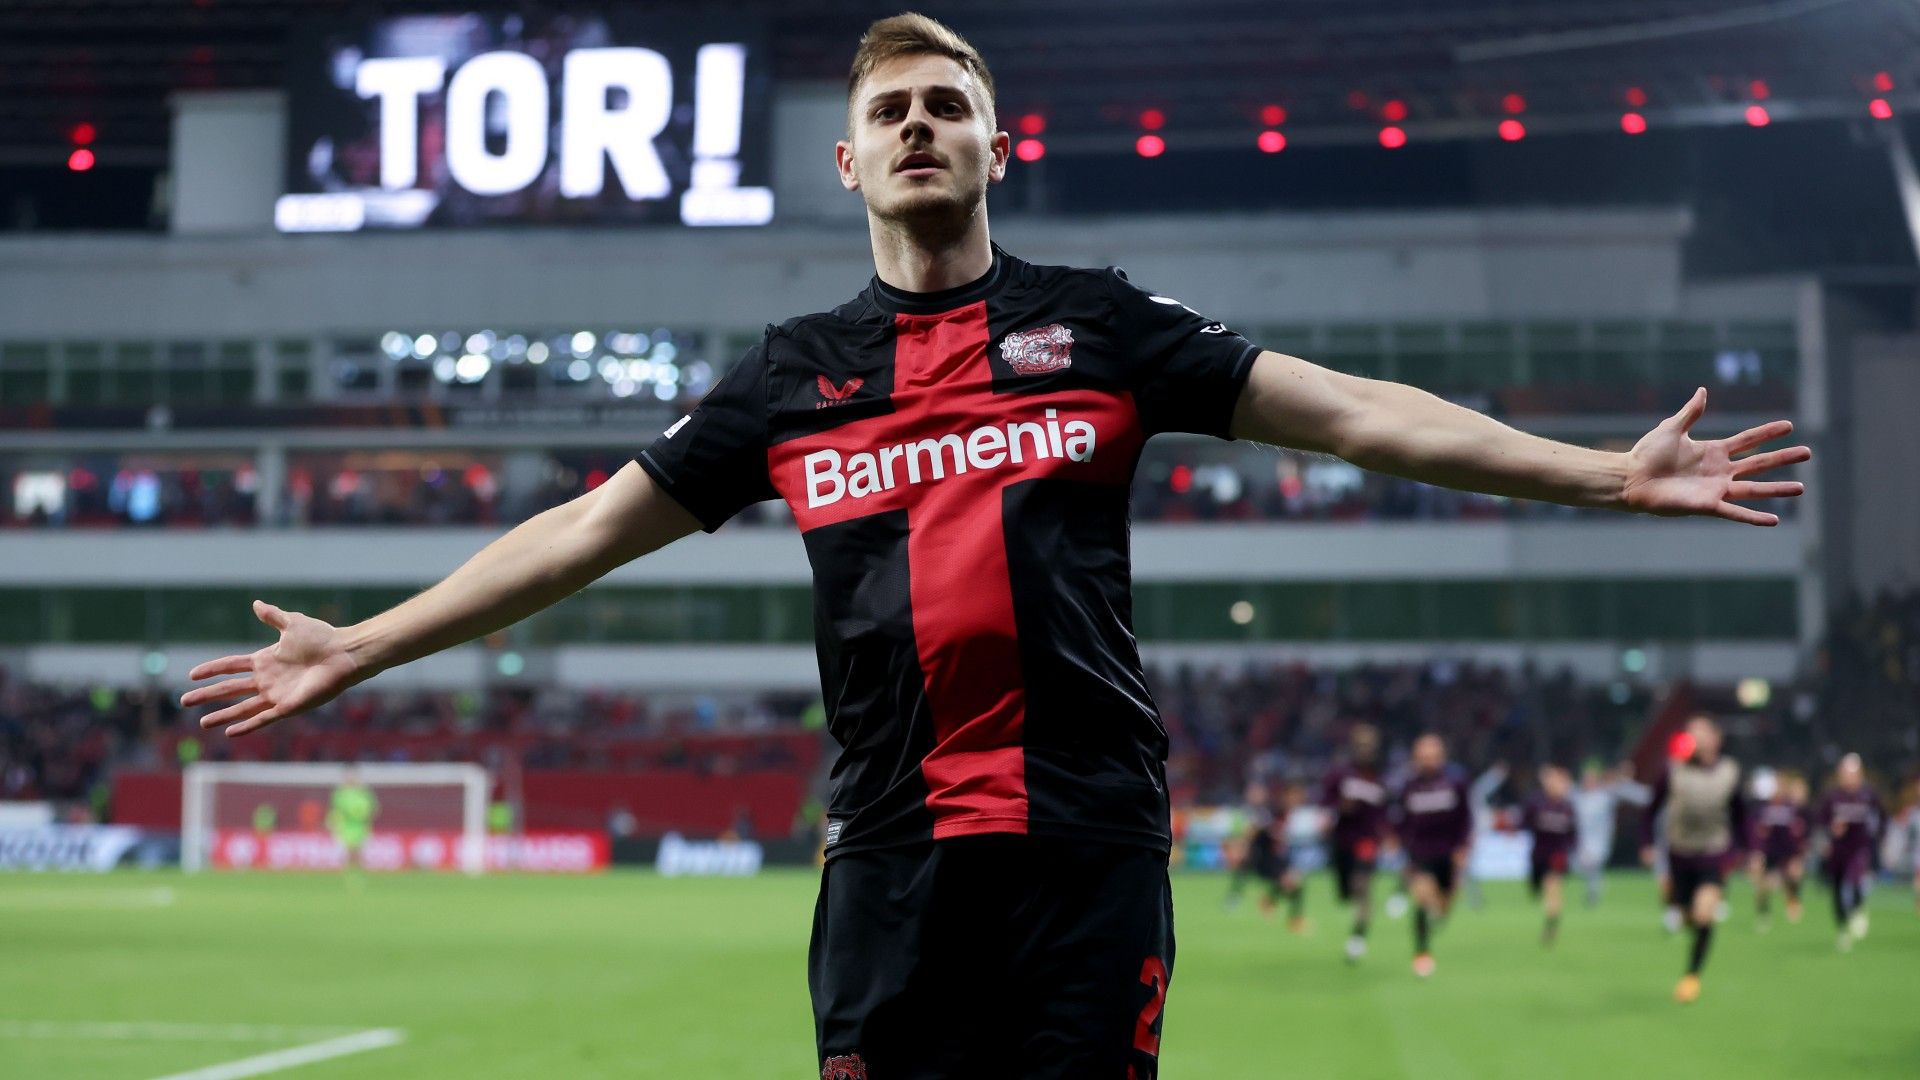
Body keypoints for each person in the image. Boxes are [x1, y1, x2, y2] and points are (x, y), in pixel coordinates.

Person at [176, 13, 1810, 1074]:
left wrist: (1604, 480)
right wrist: (364, 643)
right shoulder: (792, 377)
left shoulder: (1101, 327)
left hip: (1086, 853)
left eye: (947, 105)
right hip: (890, 863)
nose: (918, 126)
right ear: (848, 159)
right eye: (889, 109)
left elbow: (1356, 414)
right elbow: (586, 532)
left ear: (993, 145)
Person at [1642, 716, 1745, 1004]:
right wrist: (1646, 843)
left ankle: (1691, 976)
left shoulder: (1728, 773)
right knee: (1685, 914)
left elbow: (1741, 815)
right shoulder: (1673, 770)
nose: (1696, 738)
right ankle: (1676, 905)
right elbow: (1650, 809)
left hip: (1713, 853)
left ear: (1716, 739)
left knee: (1704, 913)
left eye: (1702, 732)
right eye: (1691, 732)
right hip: (1680, 855)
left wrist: (1747, 849)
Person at [1393, 734, 1472, 978]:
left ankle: (1437, 917)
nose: (1428, 761)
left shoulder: (1455, 784)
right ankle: (1422, 953)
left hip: (1448, 853)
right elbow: (1401, 820)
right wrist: (1398, 842)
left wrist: (1463, 847)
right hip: (1420, 853)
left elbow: (1465, 819)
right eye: (1423, 756)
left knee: (1444, 905)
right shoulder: (1409, 786)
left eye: (1432, 756)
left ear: (1441, 757)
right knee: (1422, 897)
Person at [1321, 724, 1391, 963]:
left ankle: (1358, 937)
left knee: (1362, 886)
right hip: (1342, 841)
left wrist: (1386, 834)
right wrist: (1339, 808)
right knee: (1345, 894)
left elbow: (1385, 812)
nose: (1365, 750)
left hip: (1367, 841)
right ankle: (1357, 912)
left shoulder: (1381, 778)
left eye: (1369, 746)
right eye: (1361, 745)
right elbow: (1325, 803)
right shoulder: (1339, 774)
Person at [1815, 753, 1885, 951]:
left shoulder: (1869, 795)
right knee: (1837, 889)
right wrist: (1829, 833)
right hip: (1838, 850)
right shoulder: (1832, 797)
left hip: (1860, 847)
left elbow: (1881, 818)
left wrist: (1879, 837)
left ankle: (1857, 908)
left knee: (1855, 877)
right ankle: (1842, 928)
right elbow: (1820, 822)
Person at [1571, 761, 1649, 907]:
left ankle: (1593, 892)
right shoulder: (1577, 796)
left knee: (1592, 863)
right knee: (1580, 866)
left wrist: (1624, 778)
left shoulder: (1605, 795)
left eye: (1592, 778)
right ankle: (1595, 886)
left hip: (1600, 841)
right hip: (1581, 840)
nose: (1589, 781)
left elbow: (1628, 791)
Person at [1521, 765, 1578, 945]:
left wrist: (1571, 851)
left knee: (1553, 888)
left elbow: (1573, 834)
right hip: (1538, 855)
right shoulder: (1536, 803)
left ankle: (1551, 925)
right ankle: (1543, 899)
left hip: (1558, 856)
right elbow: (1524, 822)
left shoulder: (1567, 807)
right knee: (1536, 889)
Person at [1747, 770, 1811, 929]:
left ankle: (1793, 901)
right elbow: (1754, 828)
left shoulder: (1791, 807)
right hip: (1768, 851)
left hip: (1787, 851)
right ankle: (1763, 912)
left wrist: (1800, 843)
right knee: (1761, 882)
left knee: (1795, 873)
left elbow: (1802, 826)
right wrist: (1756, 849)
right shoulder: (1763, 807)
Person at [326, 765, 378, 879]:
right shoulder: (340, 793)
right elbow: (336, 810)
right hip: (345, 827)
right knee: (346, 852)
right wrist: (333, 822)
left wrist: (365, 816)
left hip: (361, 826)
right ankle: (345, 875)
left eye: (352, 777)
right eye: (348, 777)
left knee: (359, 852)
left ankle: (361, 875)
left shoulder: (364, 792)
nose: (350, 779)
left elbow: (372, 809)